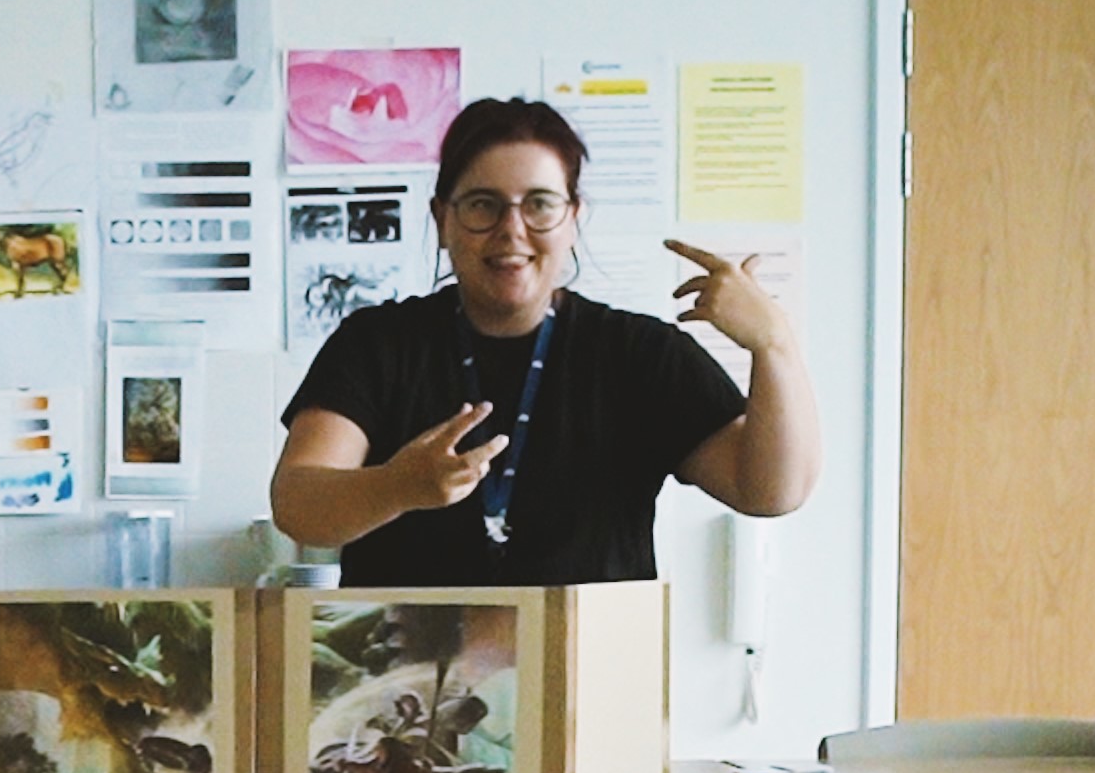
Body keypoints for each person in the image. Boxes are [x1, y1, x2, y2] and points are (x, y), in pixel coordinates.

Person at [270, 97, 818, 586]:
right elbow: (297, 503)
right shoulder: (377, 344)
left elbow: (770, 490)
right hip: (405, 683)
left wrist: (774, 345)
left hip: (592, 679)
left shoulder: (640, 354)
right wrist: (395, 487)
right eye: (483, 205)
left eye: (539, 204)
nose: (512, 230)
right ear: (442, 220)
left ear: (573, 219)